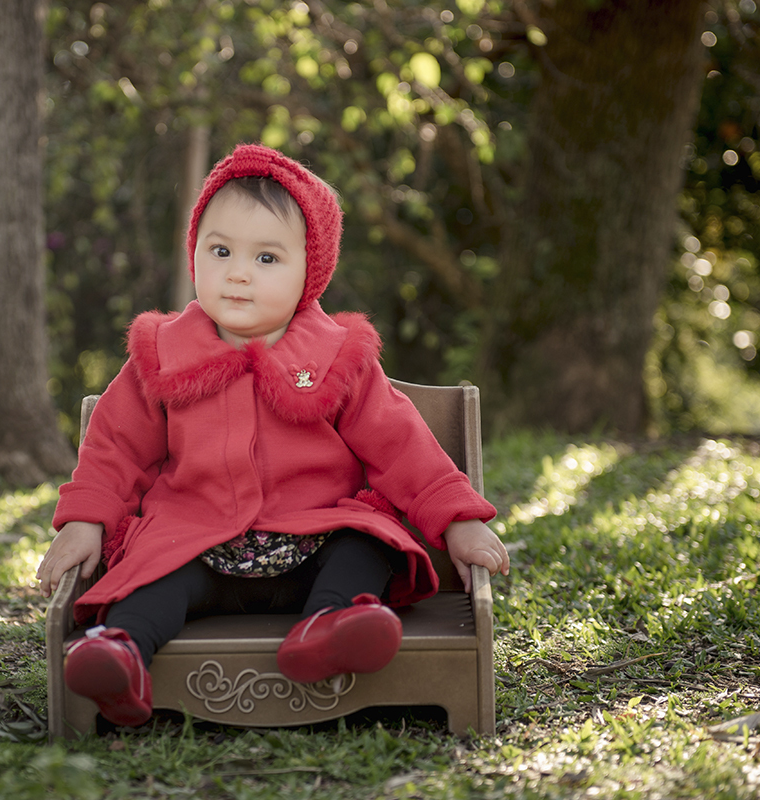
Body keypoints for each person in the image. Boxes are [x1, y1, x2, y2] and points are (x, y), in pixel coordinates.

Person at [37, 143, 509, 727]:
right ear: (195, 255)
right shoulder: (162, 355)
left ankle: (331, 625)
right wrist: (86, 519)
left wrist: (458, 519)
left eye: (266, 259)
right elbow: (114, 447)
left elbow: (401, 442)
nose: (237, 272)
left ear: (309, 270)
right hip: (198, 542)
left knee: (368, 542)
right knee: (154, 570)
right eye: (220, 250)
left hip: (311, 535)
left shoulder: (338, 358)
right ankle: (121, 653)